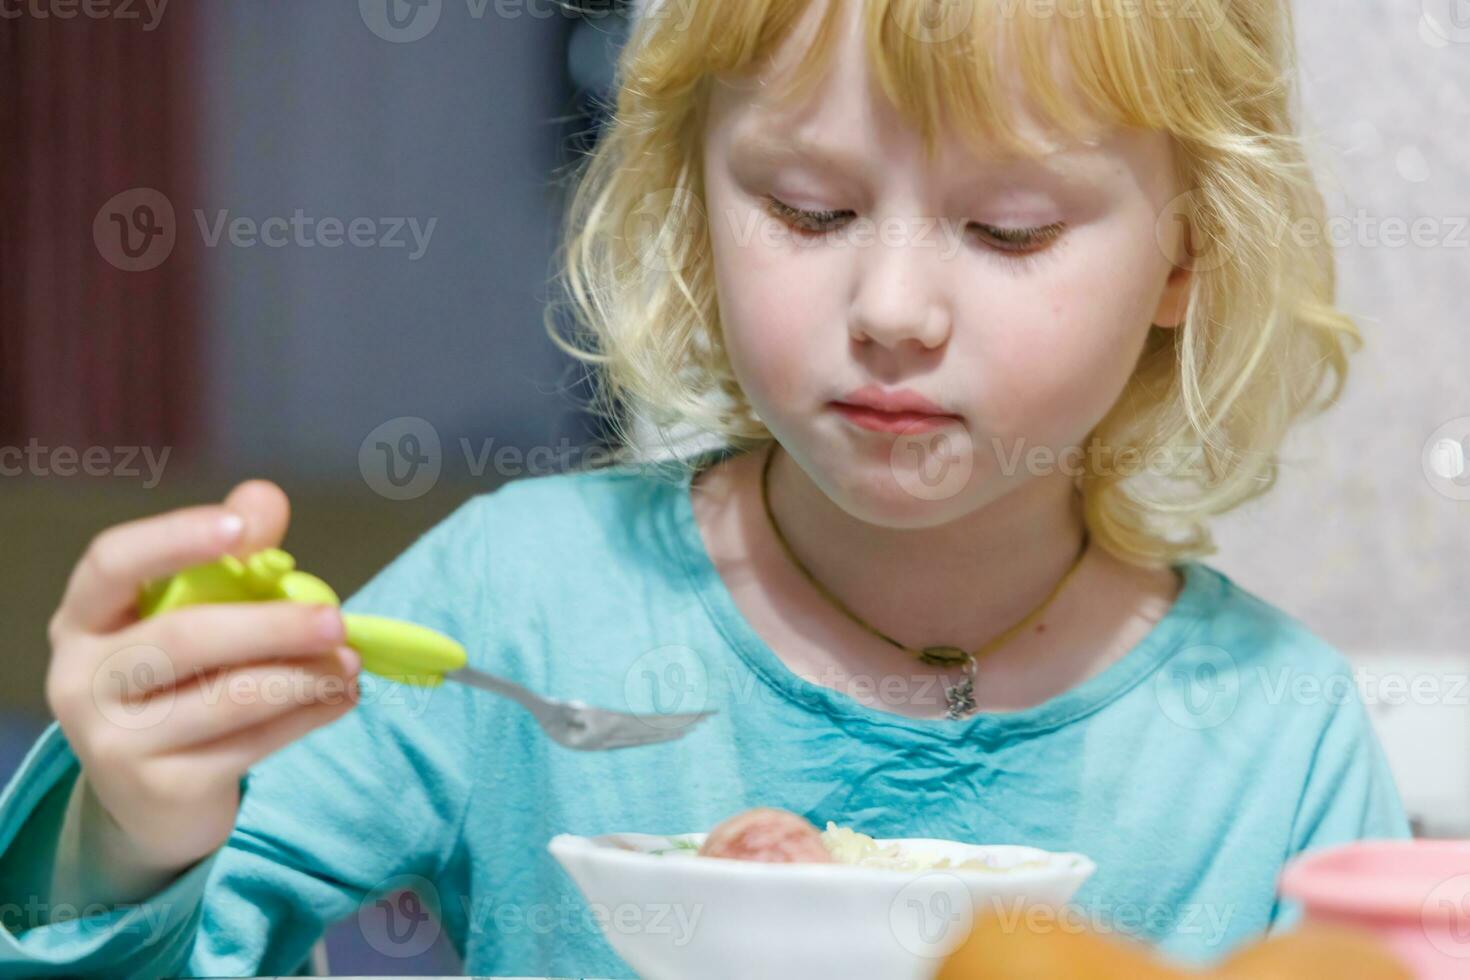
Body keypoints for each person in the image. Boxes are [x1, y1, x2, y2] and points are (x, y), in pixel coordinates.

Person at [0, 0, 1410, 976]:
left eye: (1006, 227)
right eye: (806, 208)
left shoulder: (1272, 744)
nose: (893, 306)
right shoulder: (525, 605)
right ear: (692, 200)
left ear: (1182, 258)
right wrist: (125, 840)